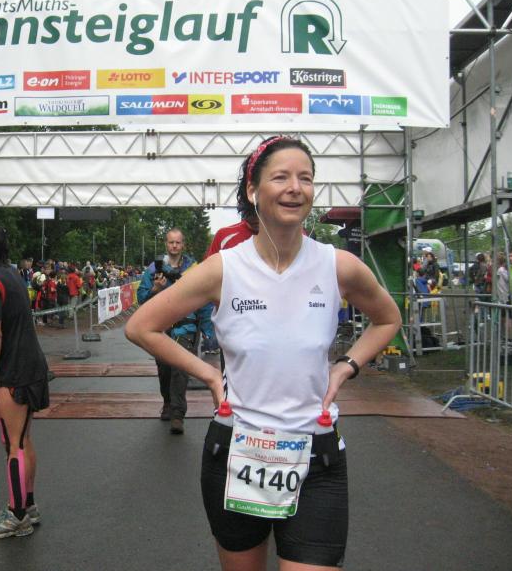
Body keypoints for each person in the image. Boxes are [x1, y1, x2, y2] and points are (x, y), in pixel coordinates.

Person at [126, 136, 400, 571]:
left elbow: (387, 319)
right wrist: (210, 376)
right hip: (237, 451)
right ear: (253, 190)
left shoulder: (338, 265)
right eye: (281, 177)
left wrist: (346, 366)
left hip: (316, 455)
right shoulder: (223, 267)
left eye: (305, 178)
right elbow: (142, 326)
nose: (295, 187)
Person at [0, 223, 50, 540]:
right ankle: (27, 505)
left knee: (13, 443)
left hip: (13, 370)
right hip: (32, 364)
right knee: (23, 439)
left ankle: (16, 516)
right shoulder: (14, 275)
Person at [137, 228, 213, 435]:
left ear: (183, 245)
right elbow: (141, 299)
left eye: (178, 242)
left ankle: (177, 415)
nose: (174, 246)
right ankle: (168, 403)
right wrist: (155, 290)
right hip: (161, 328)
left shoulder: (193, 269)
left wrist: (208, 330)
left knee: (180, 369)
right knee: (165, 370)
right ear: (166, 244)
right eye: (171, 242)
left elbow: (204, 299)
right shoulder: (154, 269)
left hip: (186, 327)